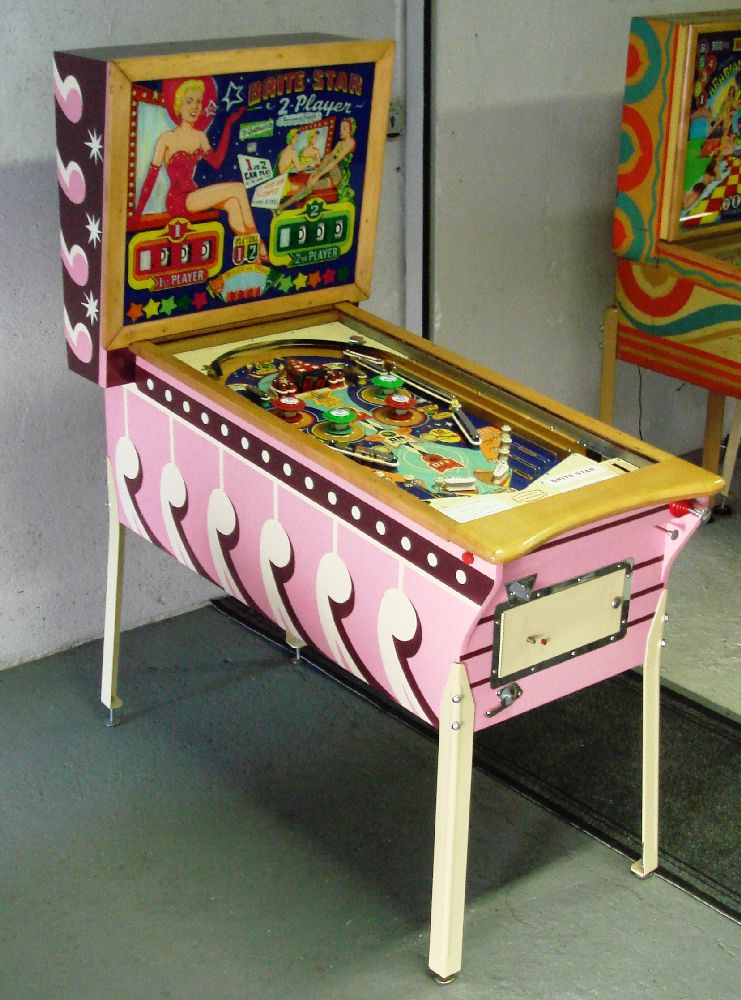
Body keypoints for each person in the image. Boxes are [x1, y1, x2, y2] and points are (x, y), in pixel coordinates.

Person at [131, 77, 264, 252]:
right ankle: (259, 242)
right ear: (179, 105)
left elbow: (216, 162)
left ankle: (252, 253)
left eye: (199, 102)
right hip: (178, 200)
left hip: (193, 195)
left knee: (233, 204)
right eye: (189, 101)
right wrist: (137, 214)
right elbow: (151, 178)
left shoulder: (200, 137)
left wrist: (229, 125)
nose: (195, 106)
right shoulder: (166, 138)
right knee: (238, 188)